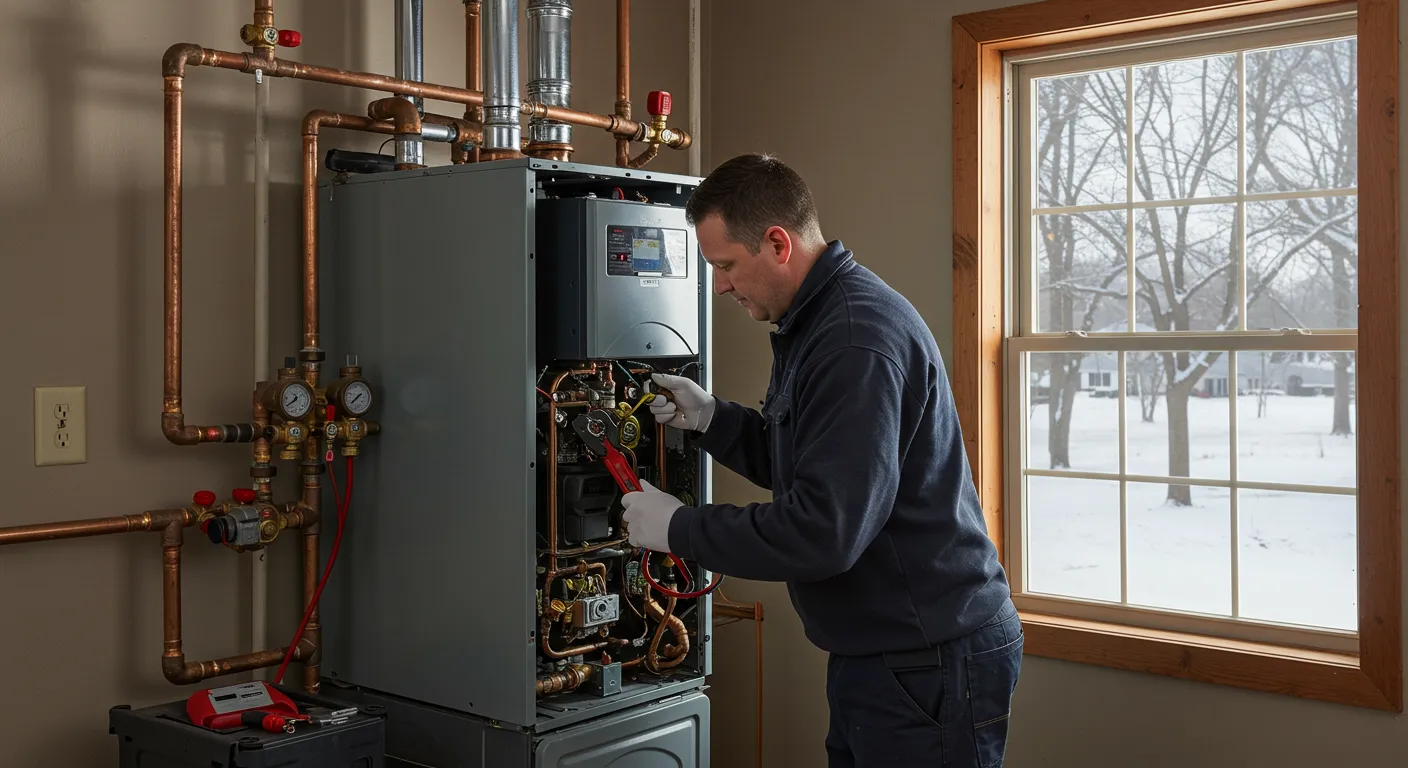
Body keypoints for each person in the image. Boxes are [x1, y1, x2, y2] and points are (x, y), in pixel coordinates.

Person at [620, 153, 1022, 767]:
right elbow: (820, 463)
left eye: (726, 265)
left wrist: (681, 528)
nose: (720, 285)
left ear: (777, 243)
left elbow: (822, 531)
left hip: (926, 659)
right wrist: (712, 419)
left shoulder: (854, 339)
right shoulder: (815, 320)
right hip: (887, 654)